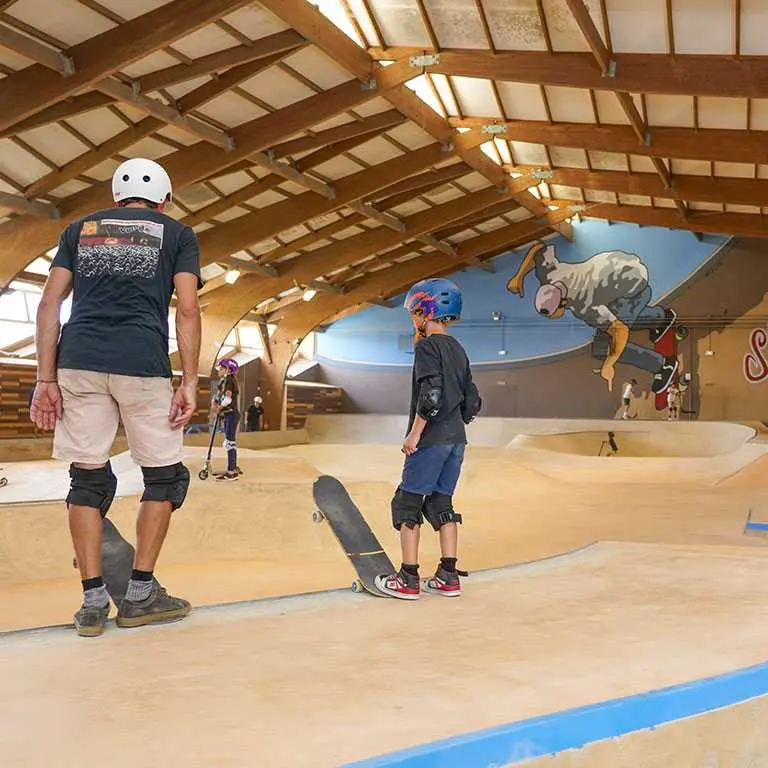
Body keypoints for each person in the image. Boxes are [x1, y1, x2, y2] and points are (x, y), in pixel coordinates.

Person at [30, 157, 202, 638]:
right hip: (142, 363)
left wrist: (45, 378)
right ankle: (140, 595)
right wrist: (189, 380)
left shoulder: (80, 230)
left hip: (78, 360)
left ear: (115, 198)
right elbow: (188, 309)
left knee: (86, 482)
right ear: (164, 200)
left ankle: (91, 605)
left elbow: (48, 303)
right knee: (165, 478)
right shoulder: (178, 234)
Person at [375, 278, 481, 600]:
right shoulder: (458, 348)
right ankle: (448, 575)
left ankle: (407, 579)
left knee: (407, 503)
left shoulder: (426, 347)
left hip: (432, 439)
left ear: (424, 311)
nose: (412, 319)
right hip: (457, 439)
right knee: (441, 503)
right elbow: (472, 401)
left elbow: (431, 396)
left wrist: (415, 433)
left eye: (413, 313)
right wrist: (453, 423)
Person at [506, 241, 678, 395]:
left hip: (636, 289)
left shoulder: (584, 305)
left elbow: (620, 330)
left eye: (553, 314)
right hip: (622, 265)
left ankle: (663, 365)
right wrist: (518, 277)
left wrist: (609, 364)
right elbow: (538, 249)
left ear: (563, 303)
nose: (552, 318)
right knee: (614, 318)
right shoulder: (549, 274)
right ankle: (662, 319)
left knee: (603, 347)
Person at [213, 358, 240, 480]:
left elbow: (228, 399)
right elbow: (219, 394)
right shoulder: (224, 381)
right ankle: (232, 467)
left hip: (231, 414)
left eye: (221, 368)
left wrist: (219, 407)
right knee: (229, 442)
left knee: (230, 442)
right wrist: (215, 403)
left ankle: (231, 471)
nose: (219, 370)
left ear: (228, 370)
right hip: (229, 414)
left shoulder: (229, 379)